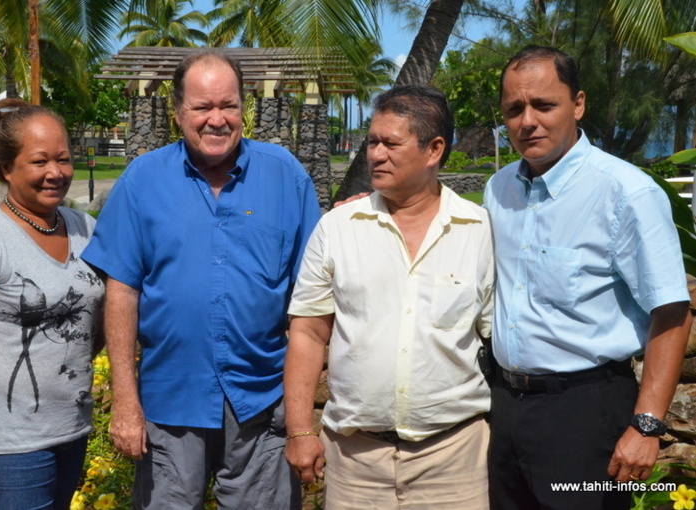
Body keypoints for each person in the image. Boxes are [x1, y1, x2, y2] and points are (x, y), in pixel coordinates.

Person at [80, 50, 321, 508]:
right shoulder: (143, 179)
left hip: (261, 402)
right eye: (202, 107)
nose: (217, 119)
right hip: (171, 400)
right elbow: (122, 291)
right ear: (178, 113)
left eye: (228, 105)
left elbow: (311, 294)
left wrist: (301, 422)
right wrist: (125, 403)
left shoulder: (285, 175)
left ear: (244, 108)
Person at [484, 45, 692, 510]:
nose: (527, 121)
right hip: (506, 408)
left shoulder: (626, 193)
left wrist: (646, 425)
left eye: (544, 105)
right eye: (514, 109)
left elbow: (673, 313)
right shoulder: (498, 190)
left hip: (586, 414)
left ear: (577, 104)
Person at [284, 84, 494, 509]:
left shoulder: (479, 231)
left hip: (455, 460)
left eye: (390, 144)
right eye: (372, 142)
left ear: (434, 150)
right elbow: (307, 333)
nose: (375, 155)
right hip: (355, 462)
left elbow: (495, 338)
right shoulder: (338, 228)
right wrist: (300, 430)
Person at [0, 98, 104, 507]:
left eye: (63, 159)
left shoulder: (85, 228)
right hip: (10, 447)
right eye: (39, 161)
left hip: (71, 430)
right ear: (6, 168)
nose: (55, 172)